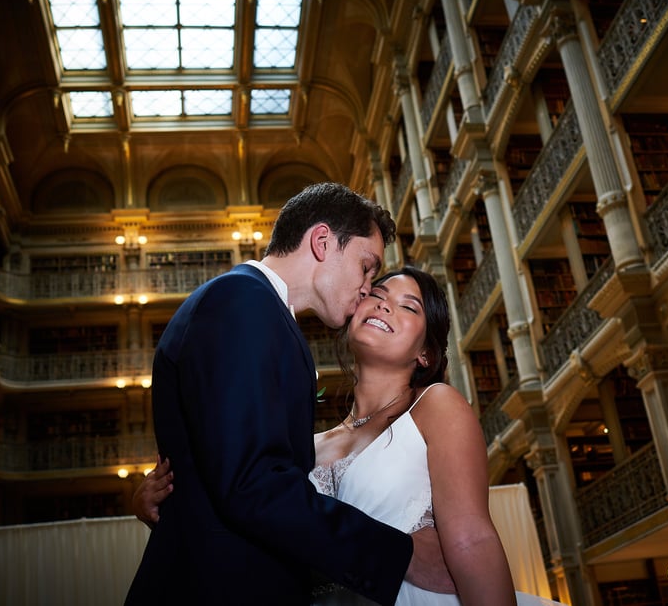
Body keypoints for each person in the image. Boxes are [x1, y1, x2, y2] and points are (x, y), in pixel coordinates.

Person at [135, 265, 563, 605]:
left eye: (408, 307)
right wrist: (162, 505)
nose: (385, 306)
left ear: (426, 353)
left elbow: (472, 537)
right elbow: (263, 519)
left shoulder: (437, 405)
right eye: (377, 295)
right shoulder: (307, 444)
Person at [125, 183, 451, 606]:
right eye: (366, 267)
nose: (368, 289)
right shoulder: (242, 301)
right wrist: (398, 554)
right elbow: (251, 483)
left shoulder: (259, 312)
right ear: (321, 242)